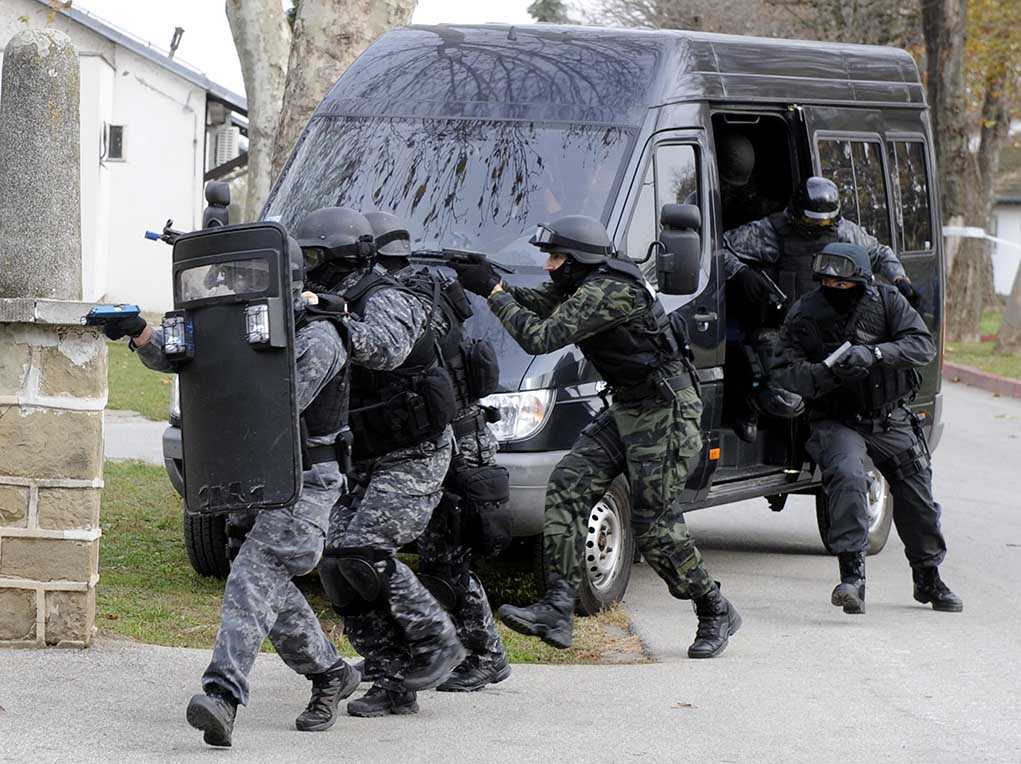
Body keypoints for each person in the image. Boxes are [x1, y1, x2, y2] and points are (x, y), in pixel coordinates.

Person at [103, 238, 359, 747]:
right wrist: (138, 333)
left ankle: (222, 695)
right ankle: (330, 673)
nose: (235, 289)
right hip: (254, 475)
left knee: (254, 571)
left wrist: (221, 358)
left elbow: (274, 403)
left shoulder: (320, 337)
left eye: (247, 279)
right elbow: (184, 359)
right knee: (265, 586)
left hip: (307, 481)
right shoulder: (239, 326)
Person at [452, 215, 742, 658]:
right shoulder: (582, 282)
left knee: (656, 527)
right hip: (629, 406)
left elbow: (539, 335)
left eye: (555, 257)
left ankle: (714, 608)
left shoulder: (609, 291)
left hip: (665, 411)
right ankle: (557, 607)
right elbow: (538, 302)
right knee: (568, 484)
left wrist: (493, 294)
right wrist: (491, 279)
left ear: (578, 260)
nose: (548, 265)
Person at [296, 207, 465, 718]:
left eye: (312, 256)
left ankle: (438, 641)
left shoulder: (391, 296)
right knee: (335, 563)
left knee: (364, 550)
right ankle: (391, 677)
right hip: (365, 452)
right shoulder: (327, 298)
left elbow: (384, 350)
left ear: (338, 256)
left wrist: (330, 313)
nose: (306, 266)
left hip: (415, 452)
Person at [364, 210, 511, 692]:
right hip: (451, 434)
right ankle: (419, 649)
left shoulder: (400, 298)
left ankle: (488, 655)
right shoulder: (427, 287)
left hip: (457, 440)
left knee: (447, 556)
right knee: (435, 555)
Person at [777, 242, 962, 615]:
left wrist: (876, 354)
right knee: (847, 475)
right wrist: (823, 373)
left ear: (861, 281)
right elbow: (782, 371)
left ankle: (928, 577)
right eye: (828, 281)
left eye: (844, 284)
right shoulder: (805, 313)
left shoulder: (887, 301)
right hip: (837, 419)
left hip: (889, 417)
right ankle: (852, 578)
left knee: (917, 495)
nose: (835, 288)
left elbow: (922, 346)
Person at [720, 176, 920, 442]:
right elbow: (718, 249)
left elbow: (880, 253)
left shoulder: (844, 232)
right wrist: (741, 272)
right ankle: (752, 401)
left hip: (831, 333)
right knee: (787, 399)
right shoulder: (770, 231)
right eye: (811, 221)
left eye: (824, 222)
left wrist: (900, 280)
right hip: (782, 331)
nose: (818, 228)